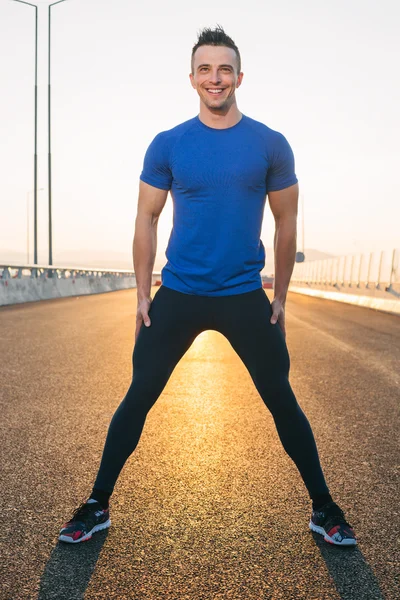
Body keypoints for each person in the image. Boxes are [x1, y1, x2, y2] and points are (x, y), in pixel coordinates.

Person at [59, 25, 357, 547]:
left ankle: (324, 509)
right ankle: (96, 504)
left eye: (224, 69)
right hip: (180, 292)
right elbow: (145, 218)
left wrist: (280, 296)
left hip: (244, 294)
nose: (214, 78)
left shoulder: (269, 144)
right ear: (192, 78)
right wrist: (142, 293)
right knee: (138, 397)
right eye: (205, 69)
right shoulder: (169, 143)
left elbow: (286, 223)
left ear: (239, 77)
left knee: (281, 398)